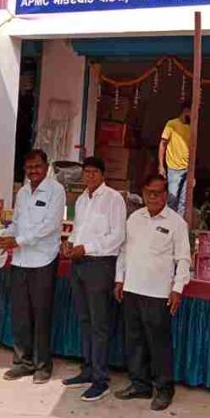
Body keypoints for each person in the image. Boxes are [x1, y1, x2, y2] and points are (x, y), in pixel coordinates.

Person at [114, 174, 190, 411]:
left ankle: (164, 389)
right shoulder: (134, 218)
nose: (153, 197)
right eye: (149, 192)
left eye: (158, 193)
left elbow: (183, 259)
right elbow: (124, 251)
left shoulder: (177, 223)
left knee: (159, 344)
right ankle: (140, 385)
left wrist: (177, 289)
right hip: (132, 289)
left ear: (166, 195)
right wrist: (119, 279)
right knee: (134, 340)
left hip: (158, 293)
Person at [0, 150, 65, 383]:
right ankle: (22, 363)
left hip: (43, 260)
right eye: (29, 167)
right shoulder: (23, 192)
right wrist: (1, 236)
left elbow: (50, 225)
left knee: (41, 314)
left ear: (46, 167)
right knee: (20, 314)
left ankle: (43, 365)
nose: (33, 171)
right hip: (20, 260)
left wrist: (19, 241)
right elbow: (16, 223)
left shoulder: (56, 190)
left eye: (37, 166)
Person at [61, 156, 126, 402]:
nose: (89, 176)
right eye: (86, 172)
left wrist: (86, 248)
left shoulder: (113, 198)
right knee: (85, 320)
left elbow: (117, 236)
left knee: (99, 324)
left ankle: (101, 379)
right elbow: (78, 230)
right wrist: (69, 244)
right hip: (79, 265)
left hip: (100, 265)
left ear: (102, 174)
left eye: (94, 172)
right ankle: (87, 370)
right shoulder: (81, 200)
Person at [159, 101, 191, 217]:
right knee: (172, 200)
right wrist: (161, 166)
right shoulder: (172, 124)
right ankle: (168, 223)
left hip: (187, 169)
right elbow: (163, 144)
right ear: (186, 111)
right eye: (192, 112)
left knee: (183, 202)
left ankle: (179, 225)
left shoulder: (191, 127)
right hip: (174, 168)